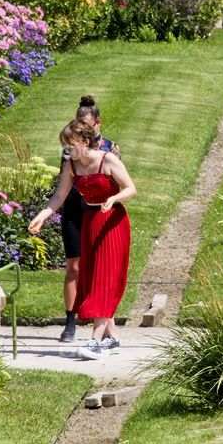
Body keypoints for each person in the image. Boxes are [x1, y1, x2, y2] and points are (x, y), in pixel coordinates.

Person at [30, 121, 136, 360]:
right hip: (90, 220)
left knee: (104, 279)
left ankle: (95, 341)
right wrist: (41, 216)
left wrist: (114, 198)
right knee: (92, 277)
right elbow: (59, 196)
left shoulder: (107, 160)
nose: (67, 150)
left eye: (71, 145)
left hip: (112, 221)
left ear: (86, 142)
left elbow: (131, 188)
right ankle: (111, 338)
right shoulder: (71, 165)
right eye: (65, 146)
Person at [57, 96, 120, 343]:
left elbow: (116, 182)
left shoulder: (110, 149)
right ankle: (71, 320)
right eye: (78, 122)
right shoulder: (69, 149)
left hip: (98, 211)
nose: (82, 127)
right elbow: (65, 177)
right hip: (74, 208)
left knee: (100, 269)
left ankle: (104, 328)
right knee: (74, 265)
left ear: (97, 123)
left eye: (86, 123)